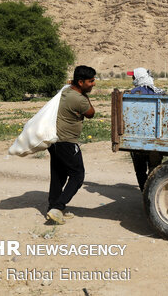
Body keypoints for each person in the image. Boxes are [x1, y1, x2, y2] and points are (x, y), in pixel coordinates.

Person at [46, 65, 96, 225]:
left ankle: (52, 208)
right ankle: (58, 208)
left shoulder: (65, 91)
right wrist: (85, 96)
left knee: (58, 175)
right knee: (77, 175)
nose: (93, 84)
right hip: (67, 142)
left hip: (54, 141)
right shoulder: (79, 99)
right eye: (90, 81)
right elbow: (91, 113)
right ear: (80, 82)